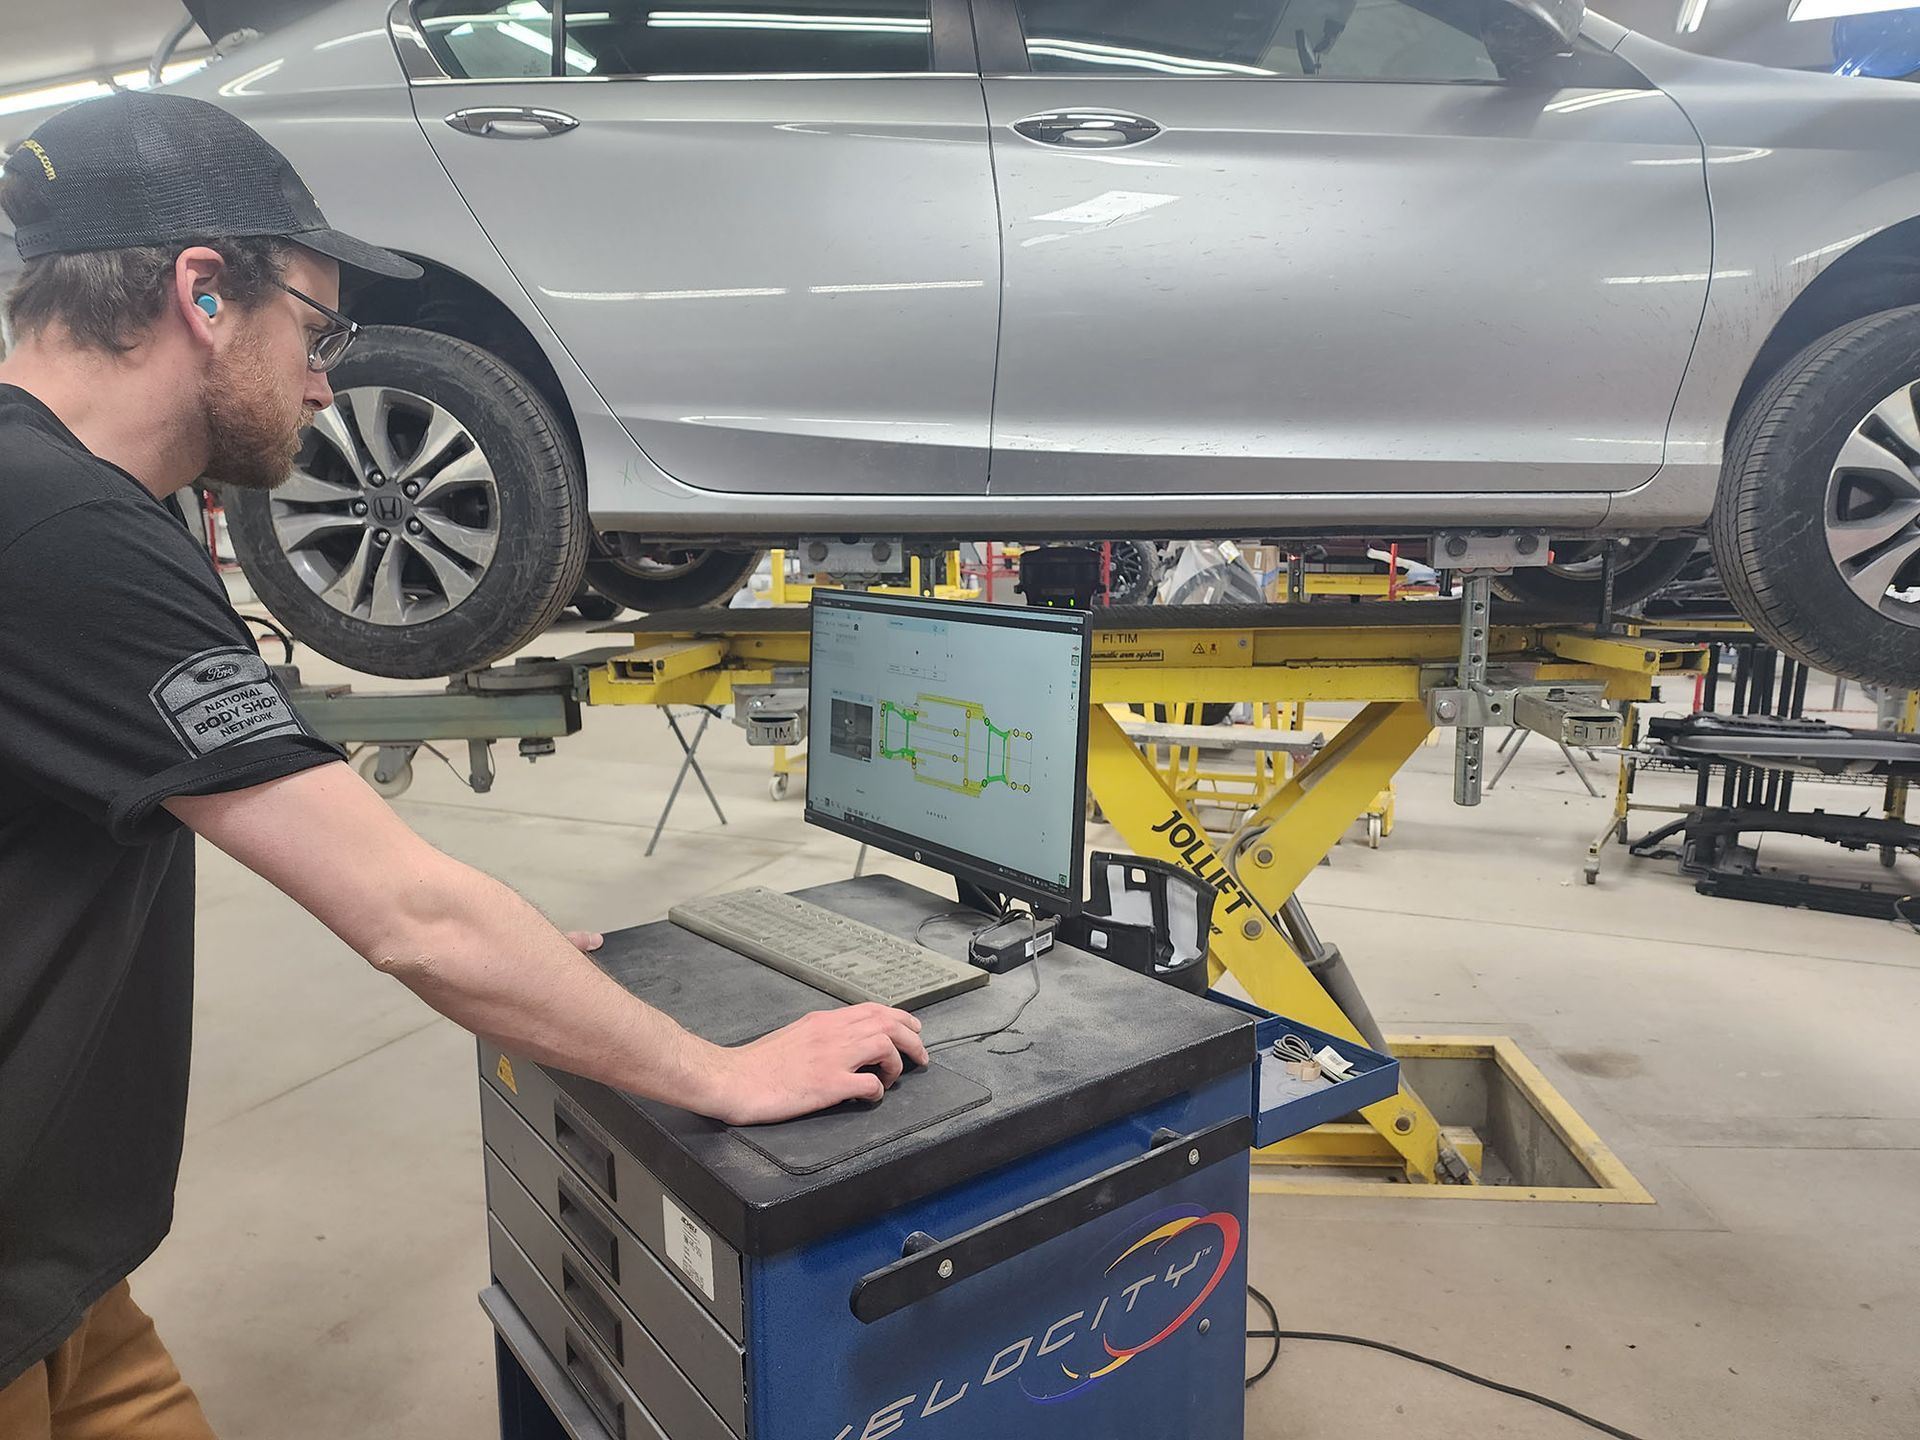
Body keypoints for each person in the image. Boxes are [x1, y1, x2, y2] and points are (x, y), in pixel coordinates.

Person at [0, 90, 925, 1438]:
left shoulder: (55, 504)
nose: (327, 381)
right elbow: (405, 913)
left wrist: (514, 950)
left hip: (62, 1288)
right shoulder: (58, 527)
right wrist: (720, 1074)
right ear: (205, 295)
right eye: (316, 329)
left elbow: (290, 836)